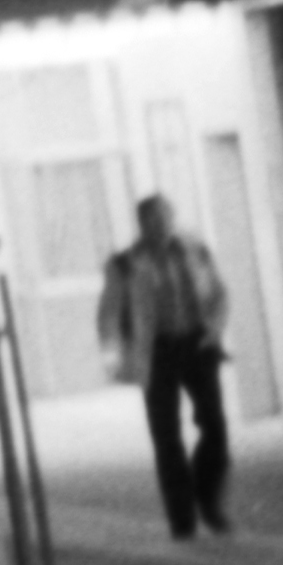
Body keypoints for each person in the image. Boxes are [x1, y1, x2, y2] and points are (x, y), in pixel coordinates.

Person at [99, 190, 233, 537]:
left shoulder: (195, 250)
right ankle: (182, 517)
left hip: (197, 344)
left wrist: (215, 330)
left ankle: (208, 500)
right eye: (151, 219)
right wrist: (113, 357)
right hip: (156, 352)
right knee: (166, 436)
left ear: (173, 219)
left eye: (165, 217)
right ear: (141, 223)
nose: (160, 225)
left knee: (215, 428)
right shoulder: (124, 264)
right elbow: (110, 313)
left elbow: (218, 293)